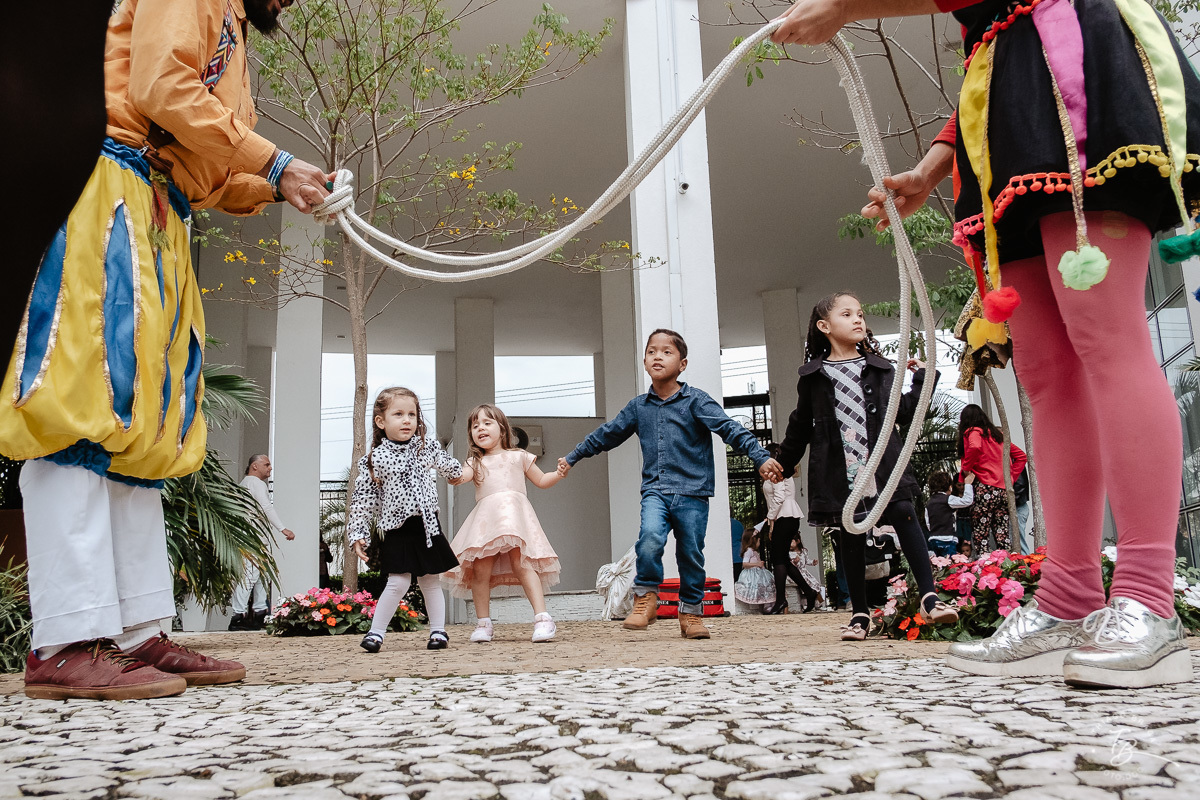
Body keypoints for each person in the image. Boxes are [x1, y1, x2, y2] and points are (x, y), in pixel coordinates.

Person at [773, 0, 1196, 687]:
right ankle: (1067, 597)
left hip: (1077, 74)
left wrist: (845, 7)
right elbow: (992, 33)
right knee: (1049, 371)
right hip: (1008, 101)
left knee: (1106, 335)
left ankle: (1150, 598)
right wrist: (934, 167)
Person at [5, 0, 335, 701]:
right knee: (86, 393)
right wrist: (275, 162)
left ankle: (134, 632)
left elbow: (209, 167)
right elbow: (160, 88)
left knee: (145, 424)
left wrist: (282, 186)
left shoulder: (237, 29)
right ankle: (64, 638)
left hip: (158, 205)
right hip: (103, 183)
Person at [558, 329, 784, 640]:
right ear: (644, 361)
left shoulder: (697, 401)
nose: (657, 357)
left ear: (683, 363)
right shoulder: (639, 407)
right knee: (649, 538)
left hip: (693, 493)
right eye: (652, 351)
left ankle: (690, 614)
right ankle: (646, 597)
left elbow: (731, 429)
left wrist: (759, 457)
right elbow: (607, 434)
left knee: (690, 554)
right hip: (656, 491)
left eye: (666, 352)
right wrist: (573, 456)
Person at [776, 293, 959, 642]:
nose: (858, 319)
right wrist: (782, 462)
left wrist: (923, 379)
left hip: (883, 466)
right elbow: (801, 425)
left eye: (860, 313)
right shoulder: (813, 377)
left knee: (905, 512)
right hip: (839, 470)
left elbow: (903, 412)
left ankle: (930, 598)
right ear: (824, 326)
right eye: (847, 314)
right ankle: (860, 614)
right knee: (851, 534)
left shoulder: (880, 368)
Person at [349, 388, 465, 653]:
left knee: (430, 580)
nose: (407, 420)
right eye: (398, 414)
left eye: (412, 414)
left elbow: (450, 466)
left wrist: (457, 472)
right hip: (397, 528)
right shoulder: (374, 459)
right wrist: (358, 534)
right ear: (381, 421)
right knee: (398, 582)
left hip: (427, 526)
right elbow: (364, 499)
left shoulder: (427, 447)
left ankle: (438, 631)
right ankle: (376, 634)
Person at [443, 404, 564, 644]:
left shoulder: (518, 456)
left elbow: (541, 480)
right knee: (481, 570)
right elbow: (460, 477)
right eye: (475, 425)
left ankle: (542, 618)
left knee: (523, 564)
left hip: (517, 520)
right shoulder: (474, 462)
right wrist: (450, 473)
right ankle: (483, 623)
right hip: (487, 523)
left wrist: (558, 473)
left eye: (487, 423)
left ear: (502, 429)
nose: (480, 428)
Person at [229, 455, 296, 631]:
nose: (270, 468)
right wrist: (283, 529)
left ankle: (259, 613)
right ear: (254, 466)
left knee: (260, 575)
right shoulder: (255, 483)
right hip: (254, 536)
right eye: (266, 464)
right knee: (250, 575)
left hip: (253, 535)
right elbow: (266, 507)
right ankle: (238, 616)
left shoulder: (246, 483)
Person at [957, 405, 1026, 556]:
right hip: (1002, 491)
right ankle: (1007, 567)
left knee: (981, 534)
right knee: (1002, 534)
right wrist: (1010, 478)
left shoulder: (973, 432)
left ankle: (984, 568)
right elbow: (1021, 456)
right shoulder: (997, 436)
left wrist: (967, 468)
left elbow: (974, 447)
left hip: (984, 489)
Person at [762, 444, 818, 614]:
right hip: (785, 517)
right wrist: (772, 524)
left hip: (784, 517)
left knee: (777, 559)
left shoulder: (778, 472)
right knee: (783, 559)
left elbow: (778, 498)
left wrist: (770, 518)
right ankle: (809, 592)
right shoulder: (781, 470)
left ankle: (781, 600)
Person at [927, 471, 975, 558]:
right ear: (949, 487)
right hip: (948, 539)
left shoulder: (929, 503)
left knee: (939, 563)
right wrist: (968, 484)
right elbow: (967, 501)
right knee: (950, 564)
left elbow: (928, 522)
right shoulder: (948, 499)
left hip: (933, 539)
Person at [734, 528, 775, 611]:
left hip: (760, 573)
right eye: (759, 541)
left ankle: (768, 603)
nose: (759, 543)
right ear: (754, 540)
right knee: (757, 587)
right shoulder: (749, 551)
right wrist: (757, 564)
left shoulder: (754, 551)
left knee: (767, 587)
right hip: (752, 574)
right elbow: (745, 564)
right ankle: (760, 605)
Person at [790, 539, 825, 608]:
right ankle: (806, 603)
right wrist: (795, 562)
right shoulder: (789, 553)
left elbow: (806, 560)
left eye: (791, 541)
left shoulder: (803, 551)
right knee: (807, 585)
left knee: (815, 584)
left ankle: (820, 602)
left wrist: (812, 562)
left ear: (798, 541)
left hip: (805, 572)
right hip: (797, 573)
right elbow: (790, 565)